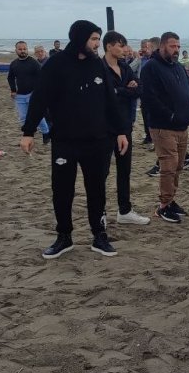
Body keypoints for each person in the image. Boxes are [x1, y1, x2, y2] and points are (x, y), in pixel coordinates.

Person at [21, 20, 129, 259]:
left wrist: (121, 131)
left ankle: (99, 235)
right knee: (62, 190)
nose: (96, 44)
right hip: (65, 140)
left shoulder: (97, 65)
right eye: (92, 39)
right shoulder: (56, 64)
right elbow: (39, 98)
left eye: (98, 39)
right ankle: (64, 236)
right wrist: (28, 132)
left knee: (96, 189)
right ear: (79, 38)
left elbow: (110, 100)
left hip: (97, 140)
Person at [141, 31, 189, 223]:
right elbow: (149, 98)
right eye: (173, 46)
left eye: (179, 47)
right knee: (168, 166)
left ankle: (171, 200)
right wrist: (170, 115)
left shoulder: (178, 67)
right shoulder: (151, 68)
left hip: (183, 125)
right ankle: (163, 206)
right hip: (163, 126)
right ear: (162, 46)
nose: (176, 50)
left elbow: (188, 90)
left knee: (179, 166)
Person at [102, 31, 149, 225]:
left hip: (125, 124)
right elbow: (104, 95)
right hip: (103, 127)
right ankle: (100, 212)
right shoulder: (99, 68)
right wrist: (125, 90)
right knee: (101, 172)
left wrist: (121, 90)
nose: (124, 49)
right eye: (120, 45)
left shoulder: (124, 66)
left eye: (124, 45)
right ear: (109, 46)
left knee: (125, 170)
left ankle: (125, 210)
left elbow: (139, 89)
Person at [8, 41, 50, 144]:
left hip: (33, 94)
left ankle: (46, 133)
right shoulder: (14, 64)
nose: (22, 51)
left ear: (27, 49)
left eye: (24, 49)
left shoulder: (33, 63)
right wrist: (13, 90)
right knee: (23, 117)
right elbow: (10, 77)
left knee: (37, 116)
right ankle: (28, 135)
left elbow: (42, 77)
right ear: (16, 50)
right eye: (20, 49)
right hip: (20, 95)